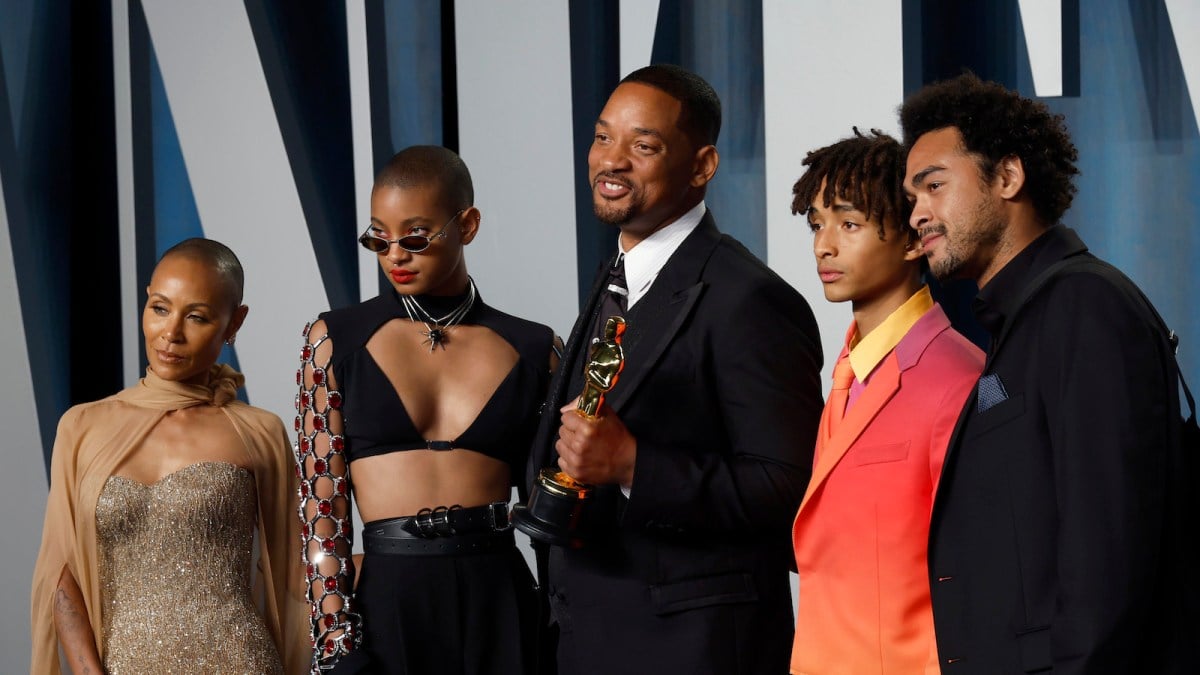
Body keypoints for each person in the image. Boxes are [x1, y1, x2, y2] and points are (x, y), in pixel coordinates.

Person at [528, 63, 823, 674]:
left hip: (696, 650)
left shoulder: (749, 299)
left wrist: (634, 464)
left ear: (702, 165)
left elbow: (789, 490)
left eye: (644, 145)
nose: (611, 161)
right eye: (603, 136)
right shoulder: (618, 278)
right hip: (590, 642)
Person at [901, 73, 1196, 672]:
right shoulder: (1026, 318)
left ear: (1007, 177)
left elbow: (1108, 552)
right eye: (911, 198)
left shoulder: (1083, 306)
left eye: (933, 186)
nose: (917, 215)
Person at [297, 145, 555, 674]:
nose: (395, 255)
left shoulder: (536, 349)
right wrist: (335, 642)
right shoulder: (333, 342)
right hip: (388, 602)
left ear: (468, 224)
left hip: (500, 599)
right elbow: (323, 506)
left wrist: (564, 622)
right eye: (378, 237)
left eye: (415, 237)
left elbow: (556, 508)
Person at [31, 238, 305, 674]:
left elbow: (298, 569)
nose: (171, 333)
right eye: (160, 308)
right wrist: (86, 670)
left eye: (196, 317)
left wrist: (401, 566)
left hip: (239, 661)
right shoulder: (81, 427)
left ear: (235, 322)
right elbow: (61, 574)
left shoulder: (258, 431)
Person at [787, 128, 984, 673]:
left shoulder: (957, 378)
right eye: (817, 224)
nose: (823, 245)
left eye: (849, 224)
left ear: (911, 239)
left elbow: (972, 572)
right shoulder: (847, 371)